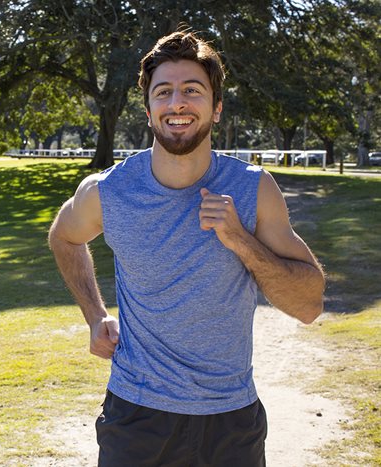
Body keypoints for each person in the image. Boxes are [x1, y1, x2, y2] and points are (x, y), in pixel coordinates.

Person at [48, 30, 325, 466]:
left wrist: (241, 240)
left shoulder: (253, 189)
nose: (177, 103)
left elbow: (309, 305)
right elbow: (64, 237)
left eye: (192, 90)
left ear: (216, 108)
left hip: (231, 421)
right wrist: (95, 315)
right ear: (148, 110)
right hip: (136, 418)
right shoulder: (107, 191)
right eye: (164, 92)